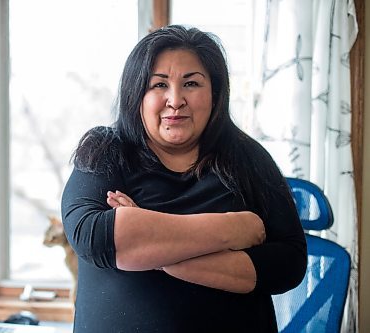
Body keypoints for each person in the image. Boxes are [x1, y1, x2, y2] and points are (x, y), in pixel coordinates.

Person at [61, 25, 307, 332]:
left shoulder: (246, 157)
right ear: (136, 93)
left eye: (191, 83)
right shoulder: (106, 150)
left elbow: (289, 264)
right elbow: (93, 237)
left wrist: (148, 242)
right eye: (159, 85)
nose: (175, 100)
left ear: (215, 93)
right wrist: (235, 228)